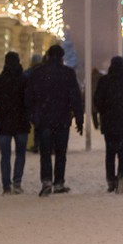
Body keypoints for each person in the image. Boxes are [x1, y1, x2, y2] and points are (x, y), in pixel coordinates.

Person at [25, 44, 83, 196]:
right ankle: (58, 182)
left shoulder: (38, 73)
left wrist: (32, 115)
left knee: (45, 152)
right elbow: (75, 97)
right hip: (62, 118)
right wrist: (78, 118)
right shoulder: (68, 73)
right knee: (60, 152)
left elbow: (29, 96)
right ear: (62, 57)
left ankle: (46, 180)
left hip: (44, 119)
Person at [0, 51, 29, 194]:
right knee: (20, 153)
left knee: (5, 155)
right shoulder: (25, 80)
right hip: (21, 121)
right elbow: (31, 99)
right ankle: (17, 182)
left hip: (3, 121)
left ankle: (6, 185)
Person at [94, 56, 123, 194]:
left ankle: (110, 179)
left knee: (110, 152)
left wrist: (104, 110)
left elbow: (97, 101)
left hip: (109, 121)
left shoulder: (104, 81)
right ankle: (122, 176)